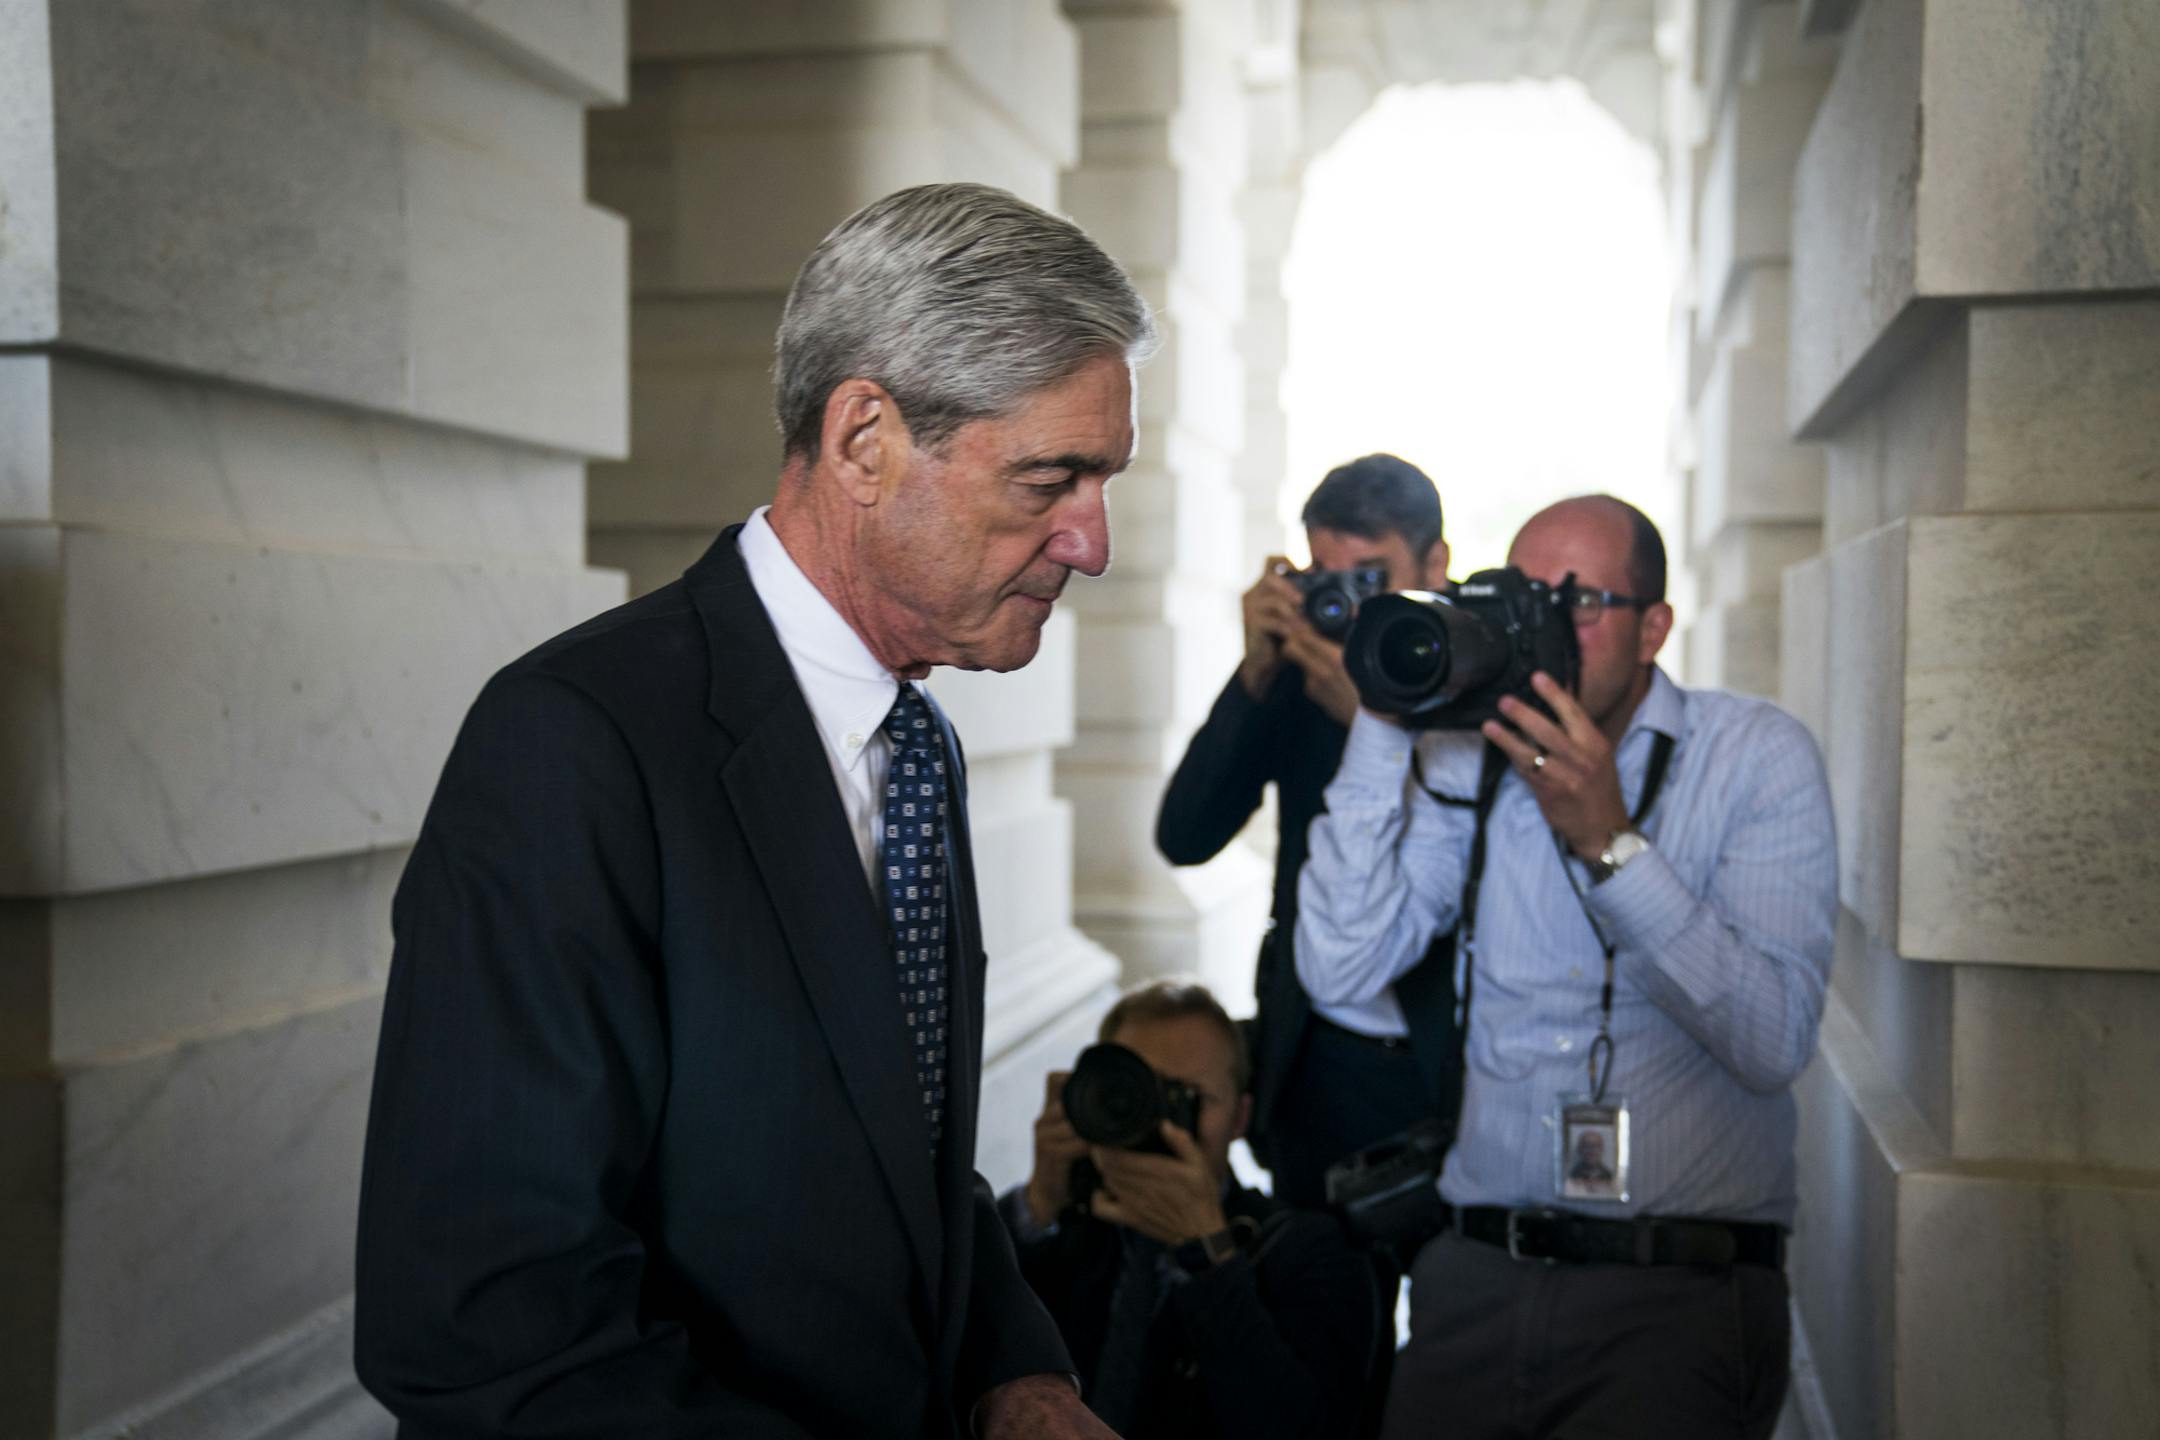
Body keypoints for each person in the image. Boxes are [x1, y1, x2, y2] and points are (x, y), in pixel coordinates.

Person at [354, 183, 1155, 1440]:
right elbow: (487, 1328)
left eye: (1102, 482)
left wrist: (1017, 1372)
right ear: (863, 440)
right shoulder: (570, 744)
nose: (1093, 544)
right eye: (1052, 478)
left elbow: (900, 1151)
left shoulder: (922, 746)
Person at [1297, 495, 1837, 1440]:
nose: (1542, 628)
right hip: (1472, 1279)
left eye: (1578, 602)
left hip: (1676, 1294)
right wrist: (1386, 718)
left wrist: (1611, 845)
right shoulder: (1466, 755)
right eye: (1520, 598)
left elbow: (1772, 1041)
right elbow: (1342, 970)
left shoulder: (1754, 756)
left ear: (1654, 628)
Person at [1155, 454, 1451, 1209]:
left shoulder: (1474, 670)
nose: (1347, 605)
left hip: (1452, 1060)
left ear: (1436, 567)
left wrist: (1373, 727)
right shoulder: (1303, 670)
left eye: (1371, 578)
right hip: (1314, 1058)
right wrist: (1255, 672)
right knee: (1309, 1273)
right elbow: (1185, 835)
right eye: (1325, 577)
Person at [1001, 981, 1380, 1439]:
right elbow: (969, 1358)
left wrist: (1209, 1255)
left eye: (1188, 1098)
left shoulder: (1310, 1250)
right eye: (1138, 1093)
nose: (1160, 1122)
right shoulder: (1065, 1224)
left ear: (1240, 1118)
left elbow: (1305, 1430)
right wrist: (1038, 1205)